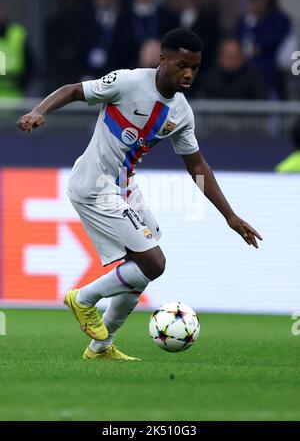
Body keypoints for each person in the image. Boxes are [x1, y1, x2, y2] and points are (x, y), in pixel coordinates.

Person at [17, 28, 262, 361]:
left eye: (195, 67)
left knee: (144, 263)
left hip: (123, 186)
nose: (188, 73)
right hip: (94, 184)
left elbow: (197, 166)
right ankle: (83, 299)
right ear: (162, 60)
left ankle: (101, 346)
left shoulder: (181, 113)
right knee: (153, 261)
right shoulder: (128, 82)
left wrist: (229, 216)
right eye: (181, 65)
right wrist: (40, 110)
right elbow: (74, 90)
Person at [198, 37, 267, 100]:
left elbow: (261, 105)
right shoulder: (209, 78)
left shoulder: (253, 78)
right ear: (219, 57)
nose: (231, 60)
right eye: (227, 56)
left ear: (241, 57)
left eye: (234, 56)